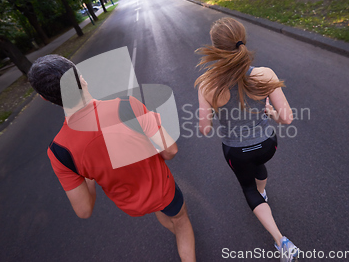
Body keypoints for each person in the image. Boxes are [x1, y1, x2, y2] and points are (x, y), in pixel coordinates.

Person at [28, 54, 196, 262]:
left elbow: (84, 210)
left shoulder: (59, 151)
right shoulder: (126, 106)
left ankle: (176, 230)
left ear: (45, 98)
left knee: (160, 211)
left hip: (132, 204)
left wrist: (86, 172)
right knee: (181, 220)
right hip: (163, 189)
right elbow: (170, 151)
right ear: (81, 77)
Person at [195, 18, 298, 261]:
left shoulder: (207, 85)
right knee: (257, 164)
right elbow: (287, 119)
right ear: (243, 40)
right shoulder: (265, 74)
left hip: (236, 151)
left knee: (248, 187)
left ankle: (281, 241)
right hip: (267, 145)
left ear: (215, 47)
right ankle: (263, 195)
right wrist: (271, 113)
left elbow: (205, 129)